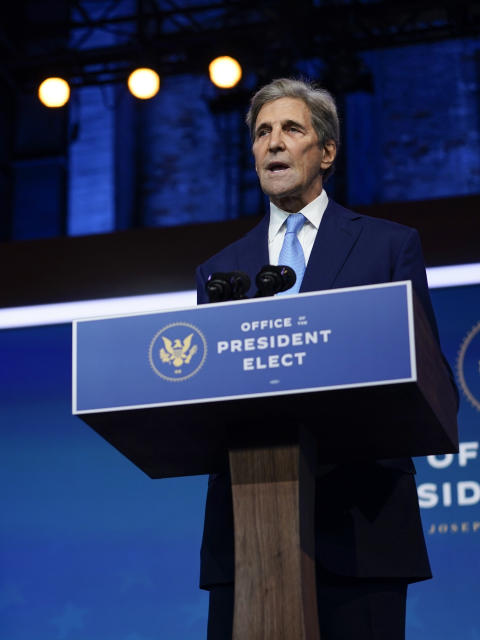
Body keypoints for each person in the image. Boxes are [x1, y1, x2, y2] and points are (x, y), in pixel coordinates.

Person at [195, 78, 455, 639]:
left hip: (361, 526)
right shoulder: (220, 272)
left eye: (291, 128)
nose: (273, 143)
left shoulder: (388, 247)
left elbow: (431, 382)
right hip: (247, 533)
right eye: (262, 132)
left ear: (327, 151)